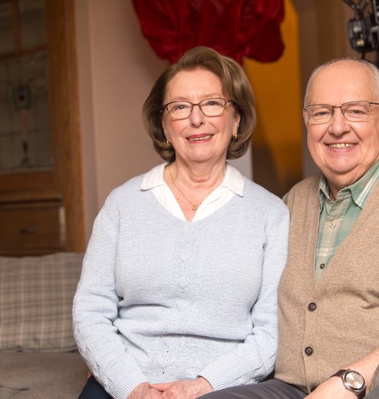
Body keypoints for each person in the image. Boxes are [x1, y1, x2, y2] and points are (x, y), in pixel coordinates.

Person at [197, 57, 379, 399]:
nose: (337, 127)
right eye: (321, 112)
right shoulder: (293, 202)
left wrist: (349, 382)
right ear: (307, 121)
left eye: (356, 110)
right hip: (288, 388)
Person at [72, 46, 290, 399]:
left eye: (212, 104)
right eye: (180, 107)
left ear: (236, 120)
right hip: (125, 384)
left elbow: (272, 332)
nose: (196, 119)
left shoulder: (270, 215)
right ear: (163, 124)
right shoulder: (122, 204)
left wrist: (203, 386)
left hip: (223, 388)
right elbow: (90, 312)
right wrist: (132, 387)